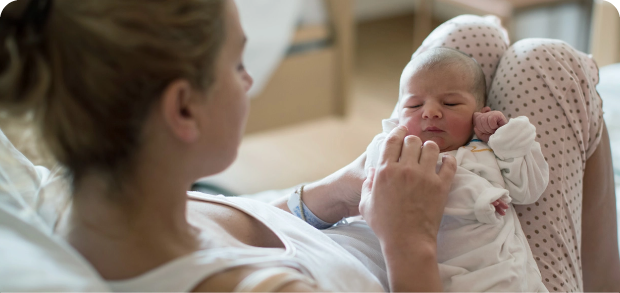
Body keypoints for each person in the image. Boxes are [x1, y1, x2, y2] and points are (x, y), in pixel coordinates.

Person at [0, 0, 456, 292]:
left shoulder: (97, 205)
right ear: (183, 109)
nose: (249, 79)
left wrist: (333, 192)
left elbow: (248, 231)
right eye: (238, 63)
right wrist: (411, 242)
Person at [363, 47, 549, 292]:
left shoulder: (488, 151)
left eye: (450, 103)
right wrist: (479, 198)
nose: (430, 112)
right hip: (432, 277)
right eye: (414, 105)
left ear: (479, 114)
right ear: (398, 117)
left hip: (507, 274)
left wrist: (505, 137)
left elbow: (530, 191)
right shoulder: (397, 151)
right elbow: (390, 184)